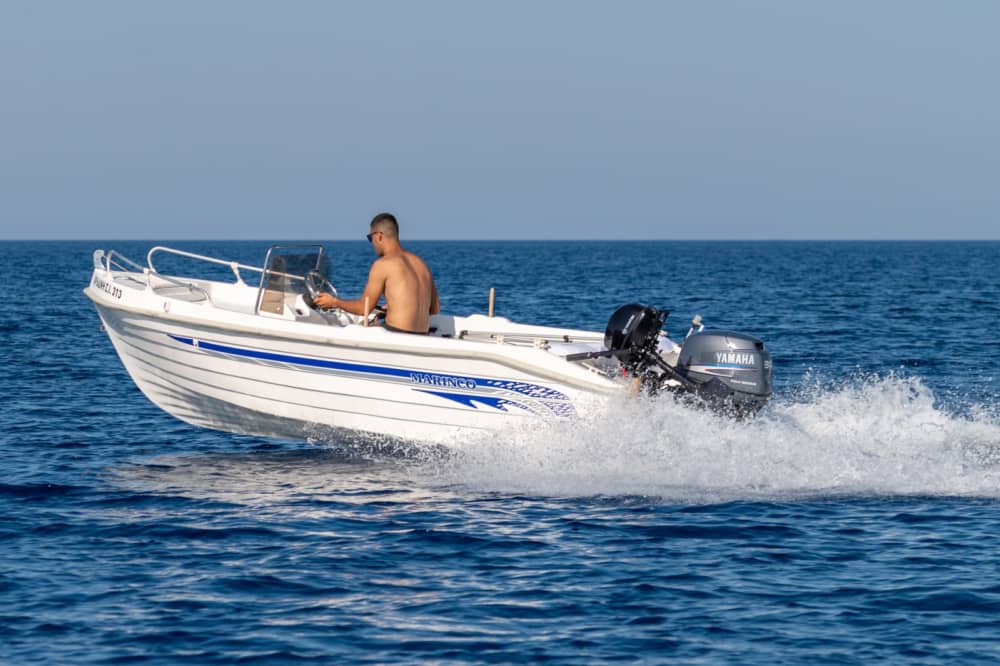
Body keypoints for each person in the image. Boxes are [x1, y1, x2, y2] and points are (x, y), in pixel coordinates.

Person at [314, 213, 440, 334]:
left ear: (379, 236)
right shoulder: (421, 264)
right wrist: (396, 307)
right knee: (376, 321)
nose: (372, 243)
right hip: (422, 336)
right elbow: (435, 309)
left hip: (396, 335)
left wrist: (334, 302)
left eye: (370, 238)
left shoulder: (383, 264)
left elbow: (363, 308)